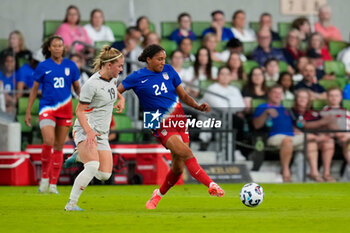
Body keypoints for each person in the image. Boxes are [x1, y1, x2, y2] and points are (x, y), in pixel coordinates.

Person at [117, 44, 225, 209]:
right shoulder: (137, 77)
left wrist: (197, 106)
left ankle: (157, 195)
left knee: (178, 168)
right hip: (158, 122)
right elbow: (117, 90)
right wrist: (119, 98)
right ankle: (211, 185)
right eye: (159, 59)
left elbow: (183, 95)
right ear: (148, 59)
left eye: (164, 59)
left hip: (179, 120)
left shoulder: (169, 71)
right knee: (186, 152)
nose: (162, 62)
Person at [64, 46, 125, 211]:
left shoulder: (113, 79)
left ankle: (78, 156)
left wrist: (121, 98)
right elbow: (79, 111)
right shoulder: (91, 85)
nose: (121, 69)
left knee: (105, 175)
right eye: (119, 65)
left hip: (102, 134)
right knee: (91, 167)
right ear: (108, 65)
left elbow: (112, 90)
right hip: (85, 130)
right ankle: (71, 204)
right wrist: (89, 132)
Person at [24, 35, 81, 194]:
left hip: (65, 110)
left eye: (60, 45)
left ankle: (53, 184)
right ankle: (44, 179)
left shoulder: (71, 66)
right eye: (54, 46)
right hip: (47, 109)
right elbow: (34, 89)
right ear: (49, 48)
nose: (57, 48)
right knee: (48, 140)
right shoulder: (43, 66)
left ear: (64, 48)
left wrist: (84, 102)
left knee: (58, 146)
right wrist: (28, 111)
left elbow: (77, 88)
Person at [253, 85, 304, 182]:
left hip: (291, 136)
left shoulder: (286, 109)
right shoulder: (263, 107)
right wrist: (266, 112)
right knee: (287, 141)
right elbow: (256, 125)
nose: (277, 95)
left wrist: (295, 129)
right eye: (275, 92)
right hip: (274, 137)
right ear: (269, 94)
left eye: (280, 93)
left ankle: (314, 173)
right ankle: (285, 171)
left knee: (312, 140)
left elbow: (289, 124)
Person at [292, 89, 336, 182]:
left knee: (329, 142)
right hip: (302, 140)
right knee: (311, 142)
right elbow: (293, 128)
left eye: (305, 97)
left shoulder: (314, 113)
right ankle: (314, 172)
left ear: (309, 100)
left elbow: (323, 126)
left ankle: (326, 173)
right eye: (300, 97)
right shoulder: (291, 112)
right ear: (296, 99)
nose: (302, 99)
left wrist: (324, 134)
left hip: (317, 138)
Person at [320, 88, 350, 180]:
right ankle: (326, 174)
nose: (334, 98)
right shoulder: (323, 111)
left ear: (341, 97)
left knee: (347, 142)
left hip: (346, 137)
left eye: (336, 95)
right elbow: (323, 127)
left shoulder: (346, 112)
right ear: (328, 98)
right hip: (330, 136)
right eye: (331, 96)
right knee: (329, 142)